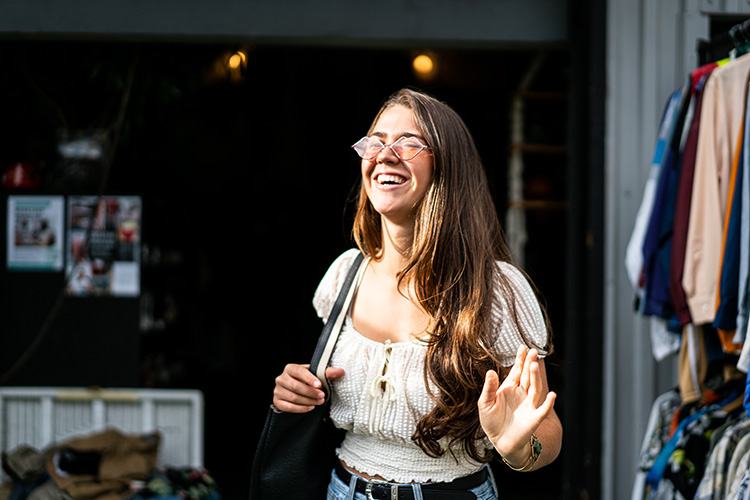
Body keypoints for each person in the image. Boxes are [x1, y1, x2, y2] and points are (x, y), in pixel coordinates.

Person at [273, 88, 562, 500]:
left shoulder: (498, 290)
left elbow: (547, 436)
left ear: (447, 167)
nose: (385, 155)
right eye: (375, 142)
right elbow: (312, 393)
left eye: (408, 143)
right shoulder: (344, 274)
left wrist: (518, 448)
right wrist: (294, 392)